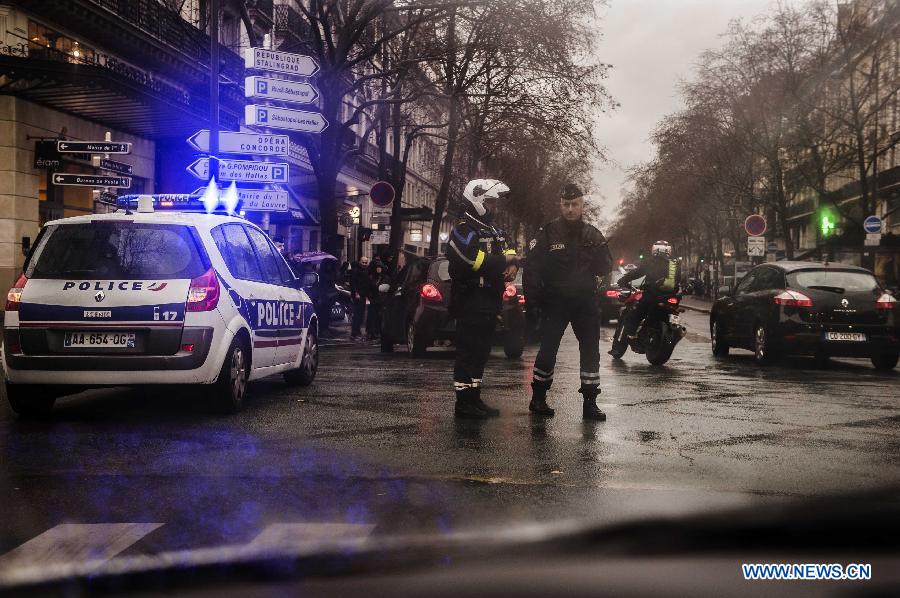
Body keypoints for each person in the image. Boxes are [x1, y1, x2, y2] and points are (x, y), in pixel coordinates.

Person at [525, 183, 613, 421]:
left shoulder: (593, 235)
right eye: (566, 205)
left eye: (575, 204)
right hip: (555, 302)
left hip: (584, 302)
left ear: (583, 205)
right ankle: (539, 399)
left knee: (590, 352)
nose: (570, 209)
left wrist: (597, 258)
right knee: (548, 349)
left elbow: (606, 267)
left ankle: (590, 403)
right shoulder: (548, 232)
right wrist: (532, 304)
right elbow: (532, 268)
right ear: (560, 205)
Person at [447, 178, 519, 418]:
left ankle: (475, 397)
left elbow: (508, 246)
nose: (494, 207)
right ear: (477, 199)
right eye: (490, 201)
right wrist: (503, 262)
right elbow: (470, 260)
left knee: (482, 350)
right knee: (468, 350)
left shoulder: (493, 229)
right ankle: (463, 402)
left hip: (489, 299)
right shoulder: (463, 229)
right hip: (470, 299)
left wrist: (513, 266)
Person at [609, 240, 681, 358]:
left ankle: (624, 343)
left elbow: (636, 273)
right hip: (671, 298)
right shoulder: (675, 264)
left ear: (655, 250)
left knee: (632, 317)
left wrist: (622, 281)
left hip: (652, 296)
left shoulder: (651, 262)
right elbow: (679, 280)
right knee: (675, 318)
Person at [349, 256, 371, 340]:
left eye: (366, 262)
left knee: (361, 314)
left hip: (363, 295)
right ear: (360, 262)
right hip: (358, 295)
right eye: (363, 262)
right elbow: (353, 283)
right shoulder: (356, 271)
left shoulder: (365, 271)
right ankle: (354, 333)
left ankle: (356, 331)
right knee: (358, 314)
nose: (365, 264)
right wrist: (356, 293)